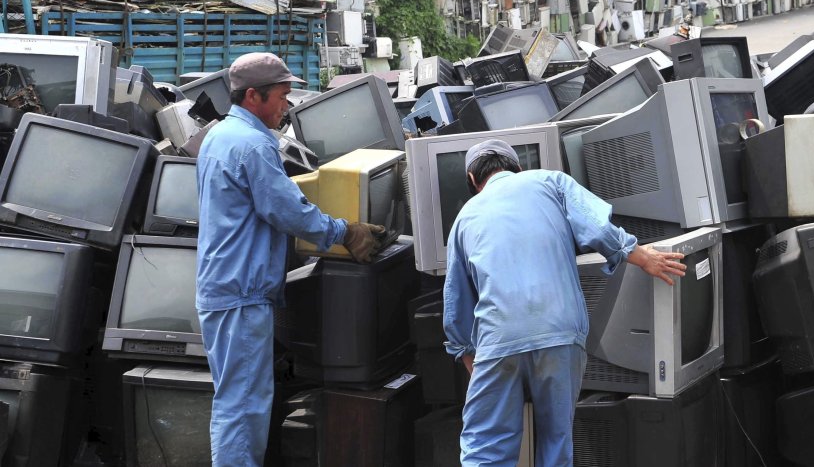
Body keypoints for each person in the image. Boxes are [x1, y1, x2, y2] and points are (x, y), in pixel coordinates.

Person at [443, 139, 688, 467]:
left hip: (499, 338)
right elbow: (599, 229)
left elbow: (456, 302)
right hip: (561, 333)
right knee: (556, 440)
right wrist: (645, 258)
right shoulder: (550, 182)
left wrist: (471, 358)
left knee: (485, 448)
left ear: (473, 180)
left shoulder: (464, 218)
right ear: (518, 167)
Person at [195, 52, 385, 466]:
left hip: (226, 290)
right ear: (252, 97)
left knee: (236, 403)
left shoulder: (220, 135)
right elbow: (288, 212)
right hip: (241, 296)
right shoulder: (251, 145)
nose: (287, 105)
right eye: (282, 96)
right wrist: (346, 231)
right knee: (242, 409)